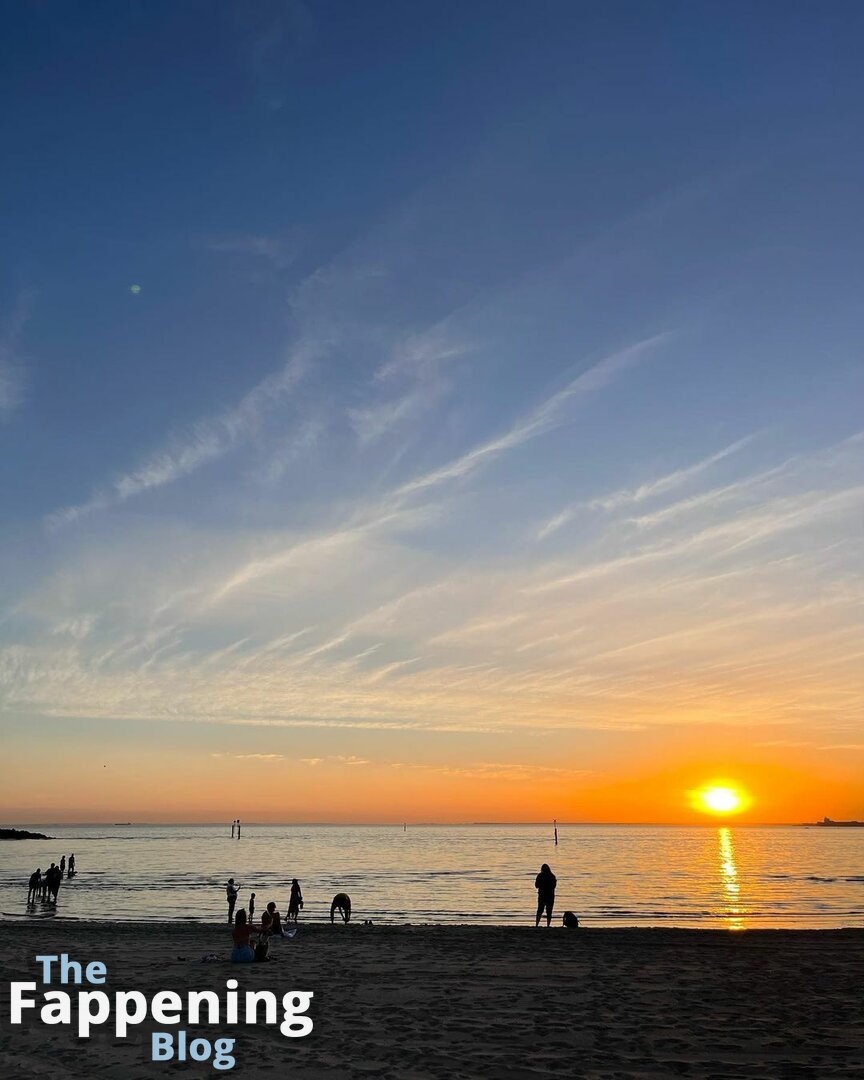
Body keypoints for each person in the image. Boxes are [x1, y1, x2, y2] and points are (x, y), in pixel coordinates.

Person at [534, 863, 557, 927]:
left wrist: (542, 886)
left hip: (542, 895)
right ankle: (548, 925)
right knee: (549, 911)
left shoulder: (540, 876)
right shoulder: (552, 876)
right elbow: (554, 886)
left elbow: (536, 885)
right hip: (550, 896)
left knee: (539, 910)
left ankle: (537, 924)